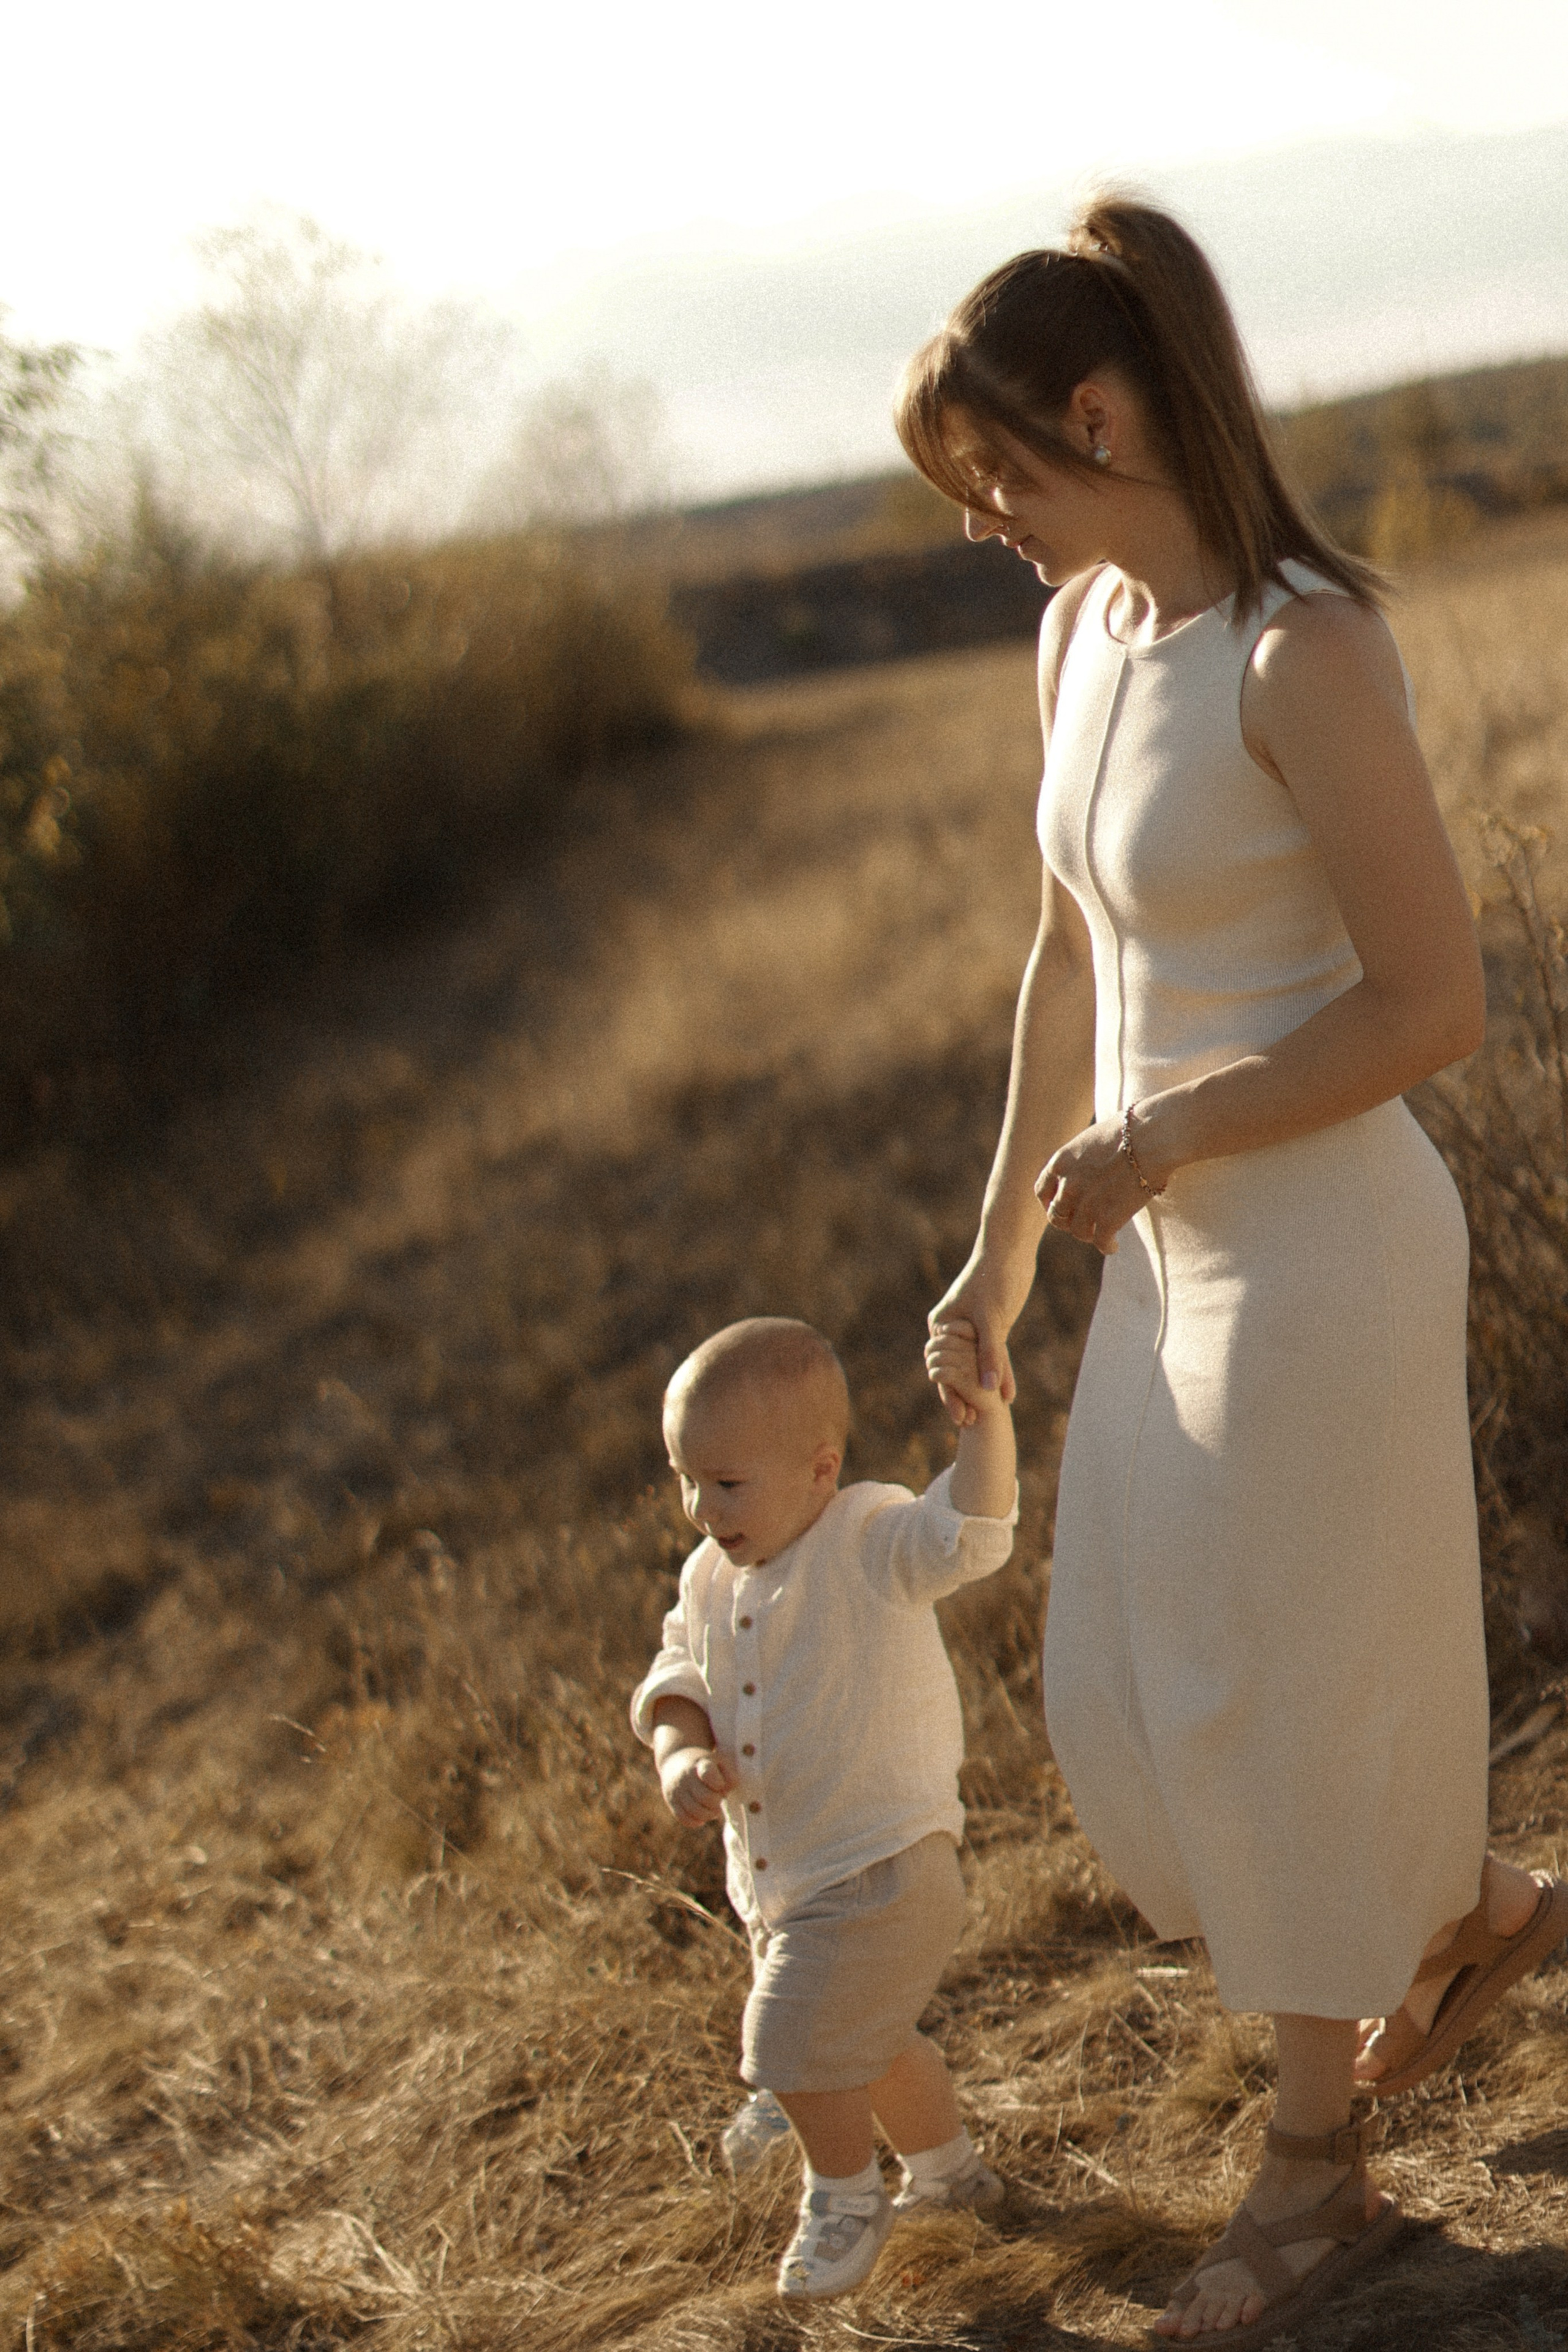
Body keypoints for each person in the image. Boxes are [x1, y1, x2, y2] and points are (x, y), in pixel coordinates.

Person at [897, 196, 1568, 2347]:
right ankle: (1466, 1902)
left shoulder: (1306, 646)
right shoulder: (1085, 633)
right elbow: (1068, 955)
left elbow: (1432, 1006)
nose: (990, 521)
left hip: (1320, 1248)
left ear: (1101, 408)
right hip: (1161, 1258)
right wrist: (996, 1250)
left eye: (1001, 471)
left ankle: (1318, 2185)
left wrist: (1173, 1132)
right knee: (1133, 1683)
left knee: (1264, 1703)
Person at [630, 1315, 1017, 2300]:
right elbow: (677, 1669)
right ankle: (953, 2177)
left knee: (787, 2045)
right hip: (791, 1885)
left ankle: (843, 2193)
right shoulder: (711, 1575)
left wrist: (985, 1427)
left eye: (726, 1482)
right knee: (873, 2048)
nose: (700, 1506)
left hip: (884, 1865)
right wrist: (680, 1748)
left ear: (819, 1469)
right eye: (686, 1479)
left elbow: (966, 1533)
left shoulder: (867, 1537)